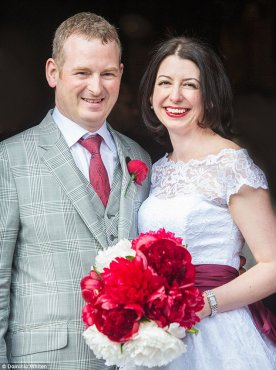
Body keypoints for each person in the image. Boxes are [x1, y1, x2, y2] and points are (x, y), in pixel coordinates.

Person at [0, 12, 151, 369]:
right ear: (53, 72)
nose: (96, 88)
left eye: (108, 74)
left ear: (121, 74)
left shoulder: (139, 157)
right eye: (82, 73)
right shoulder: (10, 159)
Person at [137, 36, 276, 369]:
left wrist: (205, 303)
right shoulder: (158, 169)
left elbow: (272, 265)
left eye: (190, 85)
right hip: (159, 334)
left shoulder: (231, 165)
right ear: (151, 94)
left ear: (210, 95)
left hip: (217, 332)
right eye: (165, 83)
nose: (175, 95)